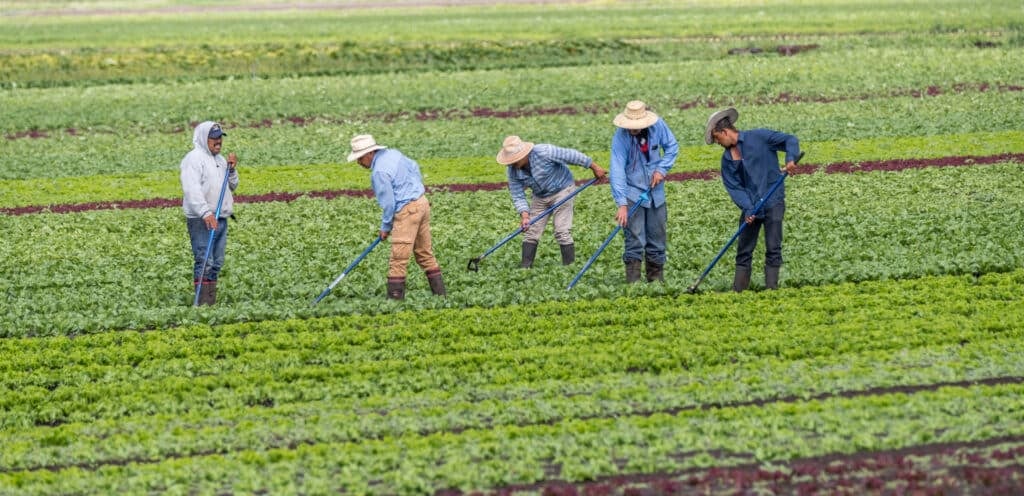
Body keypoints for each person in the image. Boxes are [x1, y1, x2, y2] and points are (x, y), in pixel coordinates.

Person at [705, 107, 800, 291]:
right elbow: (735, 187)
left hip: (773, 201)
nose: (718, 143)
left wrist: (791, 159)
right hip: (751, 207)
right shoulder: (727, 160)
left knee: (773, 247)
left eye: (717, 138)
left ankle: (771, 290)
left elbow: (790, 140)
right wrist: (748, 209)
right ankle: (739, 291)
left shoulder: (760, 137)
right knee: (744, 250)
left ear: (724, 132)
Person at [347, 134, 446, 300]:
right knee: (425, 253)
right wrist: (416, 191)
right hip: (422, 204)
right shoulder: (394, 154)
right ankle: (441, 297)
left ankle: (394, 302)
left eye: (360, 158)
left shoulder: (379, 172)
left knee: (398, 260)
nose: (359, 162)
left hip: (407, 212)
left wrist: (385, 227)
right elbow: (414, 167)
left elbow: (389, 204)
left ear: (370, 153)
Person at [496, 135, 607, 268]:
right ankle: (525, 267)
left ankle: (569, 267)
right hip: (540, 195)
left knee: (561, 229)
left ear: (524, 154)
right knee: (531, 230)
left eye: (515, 159)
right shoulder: (512, 170)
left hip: (562, 189)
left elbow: (571, 156)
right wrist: (525, 216)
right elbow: (517, 194)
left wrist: (594, 167)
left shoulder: (544, 152)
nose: (512, 163)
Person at [609, 100, 679, 283]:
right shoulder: (621, 137)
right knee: (634, 239)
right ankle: (634, 285)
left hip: (656, 192)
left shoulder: (658, 126)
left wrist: (661, 169)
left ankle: (655, 282)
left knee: (657, 237)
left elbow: (672, 147)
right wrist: (622, 203)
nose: (633, 129)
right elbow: (616, 170)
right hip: (633, 193)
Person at [180, 121, 239, 306]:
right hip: (202, 219)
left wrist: (232, 170)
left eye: (220, 137)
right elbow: (192, 190)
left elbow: (232, 186)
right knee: (205, 259)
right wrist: (205, 213)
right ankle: (202, 304)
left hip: (220, 217)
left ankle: (209, 303)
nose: (218, 141)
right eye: (214, 138)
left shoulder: (221, 161)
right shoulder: (193, 159)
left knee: (217, 262)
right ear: (204, 139)